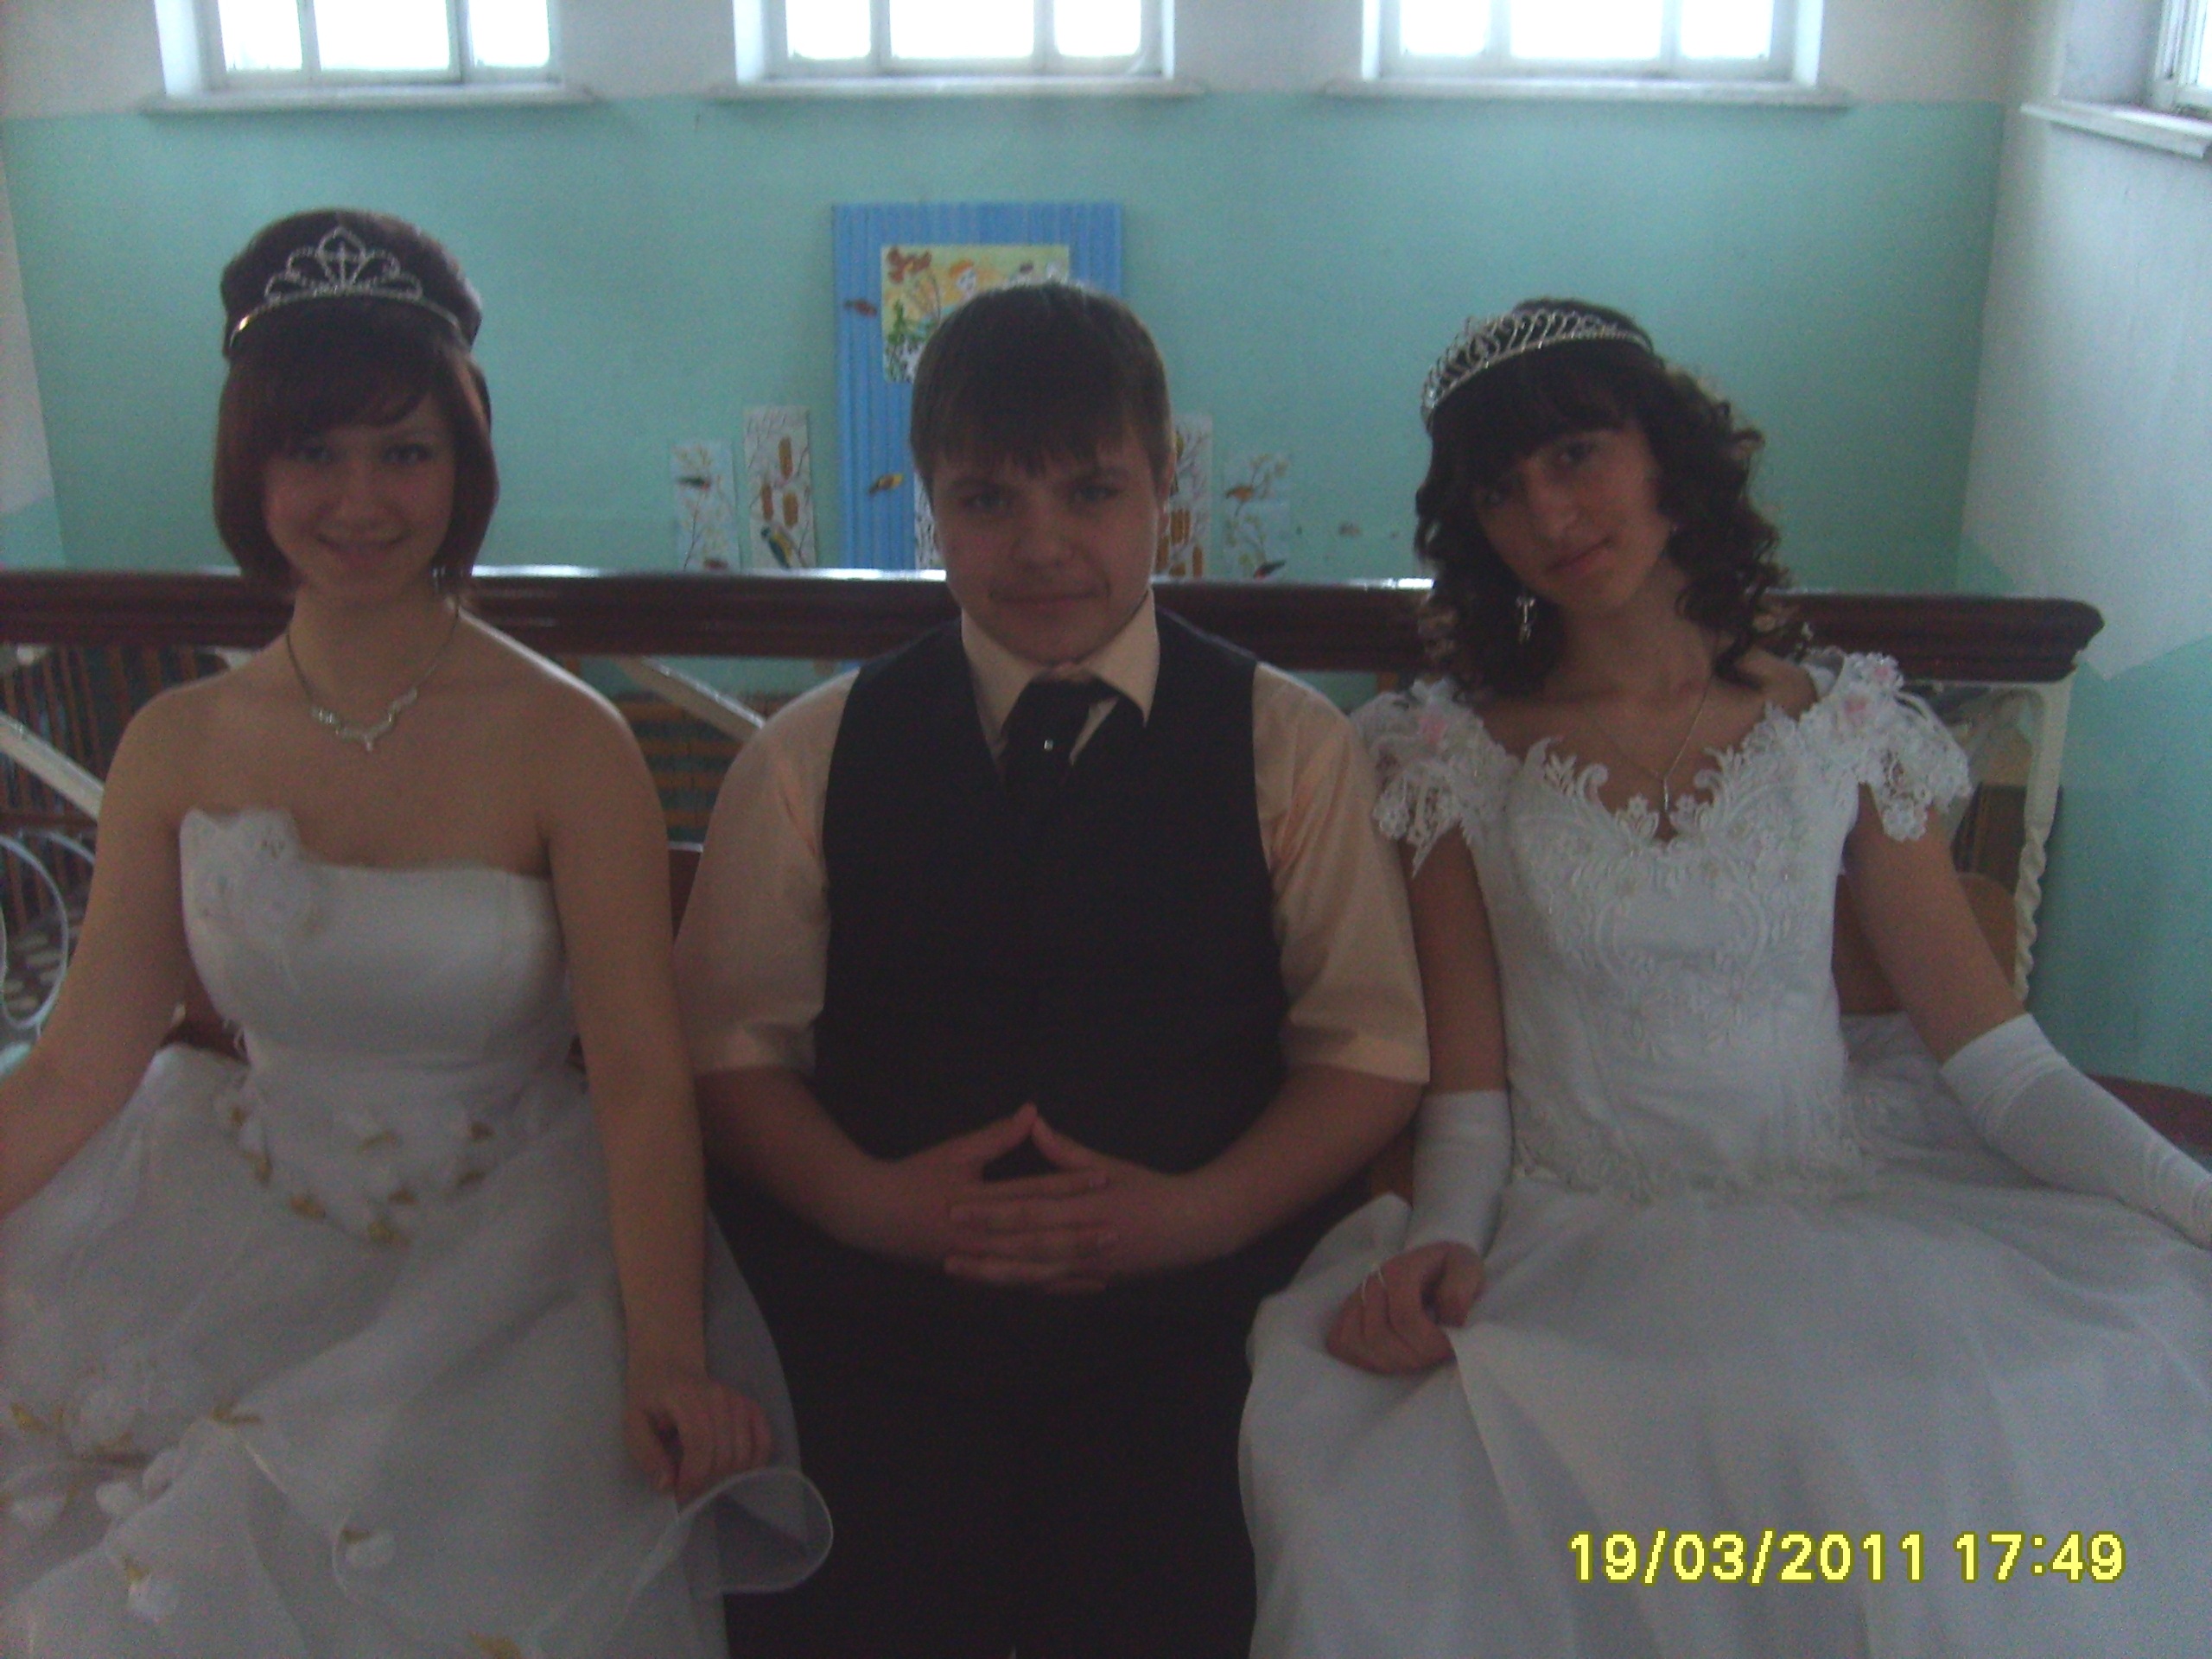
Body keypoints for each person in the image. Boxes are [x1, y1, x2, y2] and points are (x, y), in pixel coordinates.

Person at [1241, 299, 2212, 1658]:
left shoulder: (1844, 725)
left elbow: (2001, 1063)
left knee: (1951, 1431)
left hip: (1845, 1211)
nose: (1550, 513)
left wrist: (2191, 1200)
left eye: (1577, 453)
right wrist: (1441, 1241)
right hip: (1574, 1234)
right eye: (1502, 490)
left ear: (1668, 454)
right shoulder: (1448, 755)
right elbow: (1469, 1097)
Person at [0, 208, 828, 1655]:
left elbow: (641, 1077)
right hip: (226, 1228)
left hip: (505, 1260)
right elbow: (77, 1064)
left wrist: (666, 1352)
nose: (360, 499)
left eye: (405, 451)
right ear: (249, 465)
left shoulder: (568, 741)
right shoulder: (177, 741)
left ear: (466, 459)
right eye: (312, 451)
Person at [675, 281, 1429, 1658]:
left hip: (1200, 1330)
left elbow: (1368, 1049)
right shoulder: (809, 754)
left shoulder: (1289, 746)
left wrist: (1196, 1216)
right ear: (928, 501)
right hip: (878, 1329)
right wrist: (870, 1204)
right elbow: (733, 1052)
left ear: (1163, 485)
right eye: (985, 499)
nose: (1041, 546)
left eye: (1090, 491)